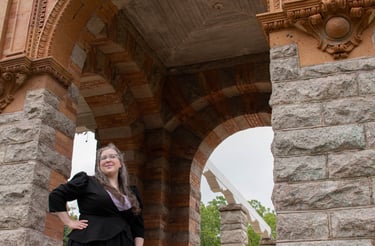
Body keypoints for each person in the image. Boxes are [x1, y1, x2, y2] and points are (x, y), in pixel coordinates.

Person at [49, 143, 144, 246]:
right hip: (90, 241)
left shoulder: (131, 193)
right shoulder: (87, 182)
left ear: (120, 163)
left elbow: (138, 227)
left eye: (112, 156)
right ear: (99, 165)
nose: (108, 160)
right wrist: (69, 222)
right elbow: (56, 195)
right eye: (103, 158)